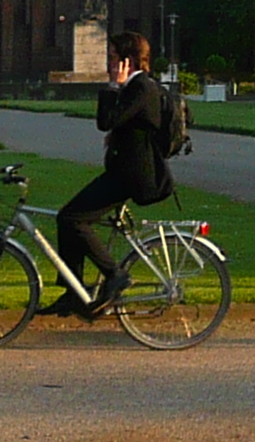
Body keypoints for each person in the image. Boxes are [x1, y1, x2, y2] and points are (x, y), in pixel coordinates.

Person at [51, 32, 175, 318]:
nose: (108, 62)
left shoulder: (141, 88)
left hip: (132, 176)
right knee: (67, 218)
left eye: (112, 57)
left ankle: (115, 274)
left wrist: (112, 87)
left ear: (126, 62)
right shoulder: (138, 87)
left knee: (73, 219)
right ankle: (73, 292)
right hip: (123, 171)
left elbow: (105, 122)